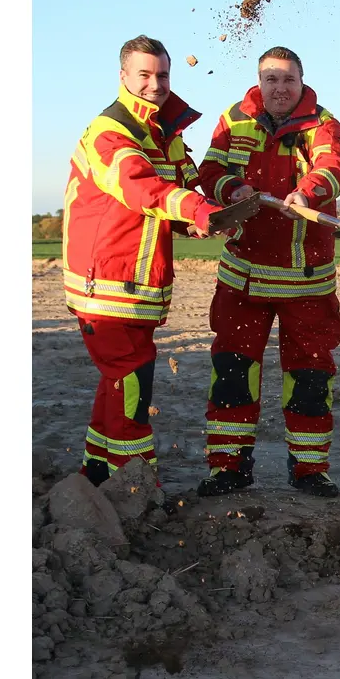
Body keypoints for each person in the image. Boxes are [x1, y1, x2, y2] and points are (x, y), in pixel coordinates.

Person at [62, 35, 255, 484]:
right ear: (123, 77)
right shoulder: (110, 131)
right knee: (131, 381)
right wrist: (199, 211)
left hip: (138, 284)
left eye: (162, 75)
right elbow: (141, 189)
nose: (155, 84)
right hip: (106, 283)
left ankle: (96, 469)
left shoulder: (163, 133)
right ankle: (135, 485)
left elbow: (182, 194)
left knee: (118, 378)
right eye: (144, 75)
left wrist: (217, 217)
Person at [196, 47, 340, 498]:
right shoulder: (234, 118)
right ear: (259, 82)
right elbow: (210, 170)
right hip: (242, 278)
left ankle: (309, 468)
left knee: (310, 376)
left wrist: (307, 194)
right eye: (271, 79)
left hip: (307, 281)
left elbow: (337, 166)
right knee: (231, 371)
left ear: (302, 82)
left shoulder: (322, 122)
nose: (279, 88)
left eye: (288, 79)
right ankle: (228, 467)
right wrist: (235, 188)